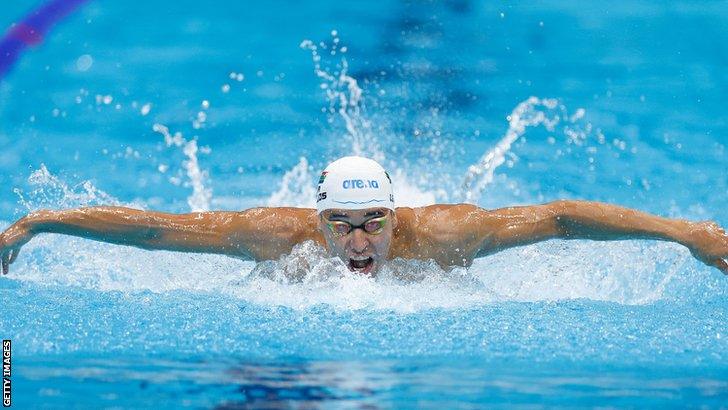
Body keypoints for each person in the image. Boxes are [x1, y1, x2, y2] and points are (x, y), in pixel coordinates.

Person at [1, 156, 727, 276]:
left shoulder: (443, 235)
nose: (356, 240)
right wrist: (35, 223)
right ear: (314, 221)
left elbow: (563, 217)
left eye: (373, 221)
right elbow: (156, 228)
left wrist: (689, 234)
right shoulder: (274, 234)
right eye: (340, 224)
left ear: (394, 214)